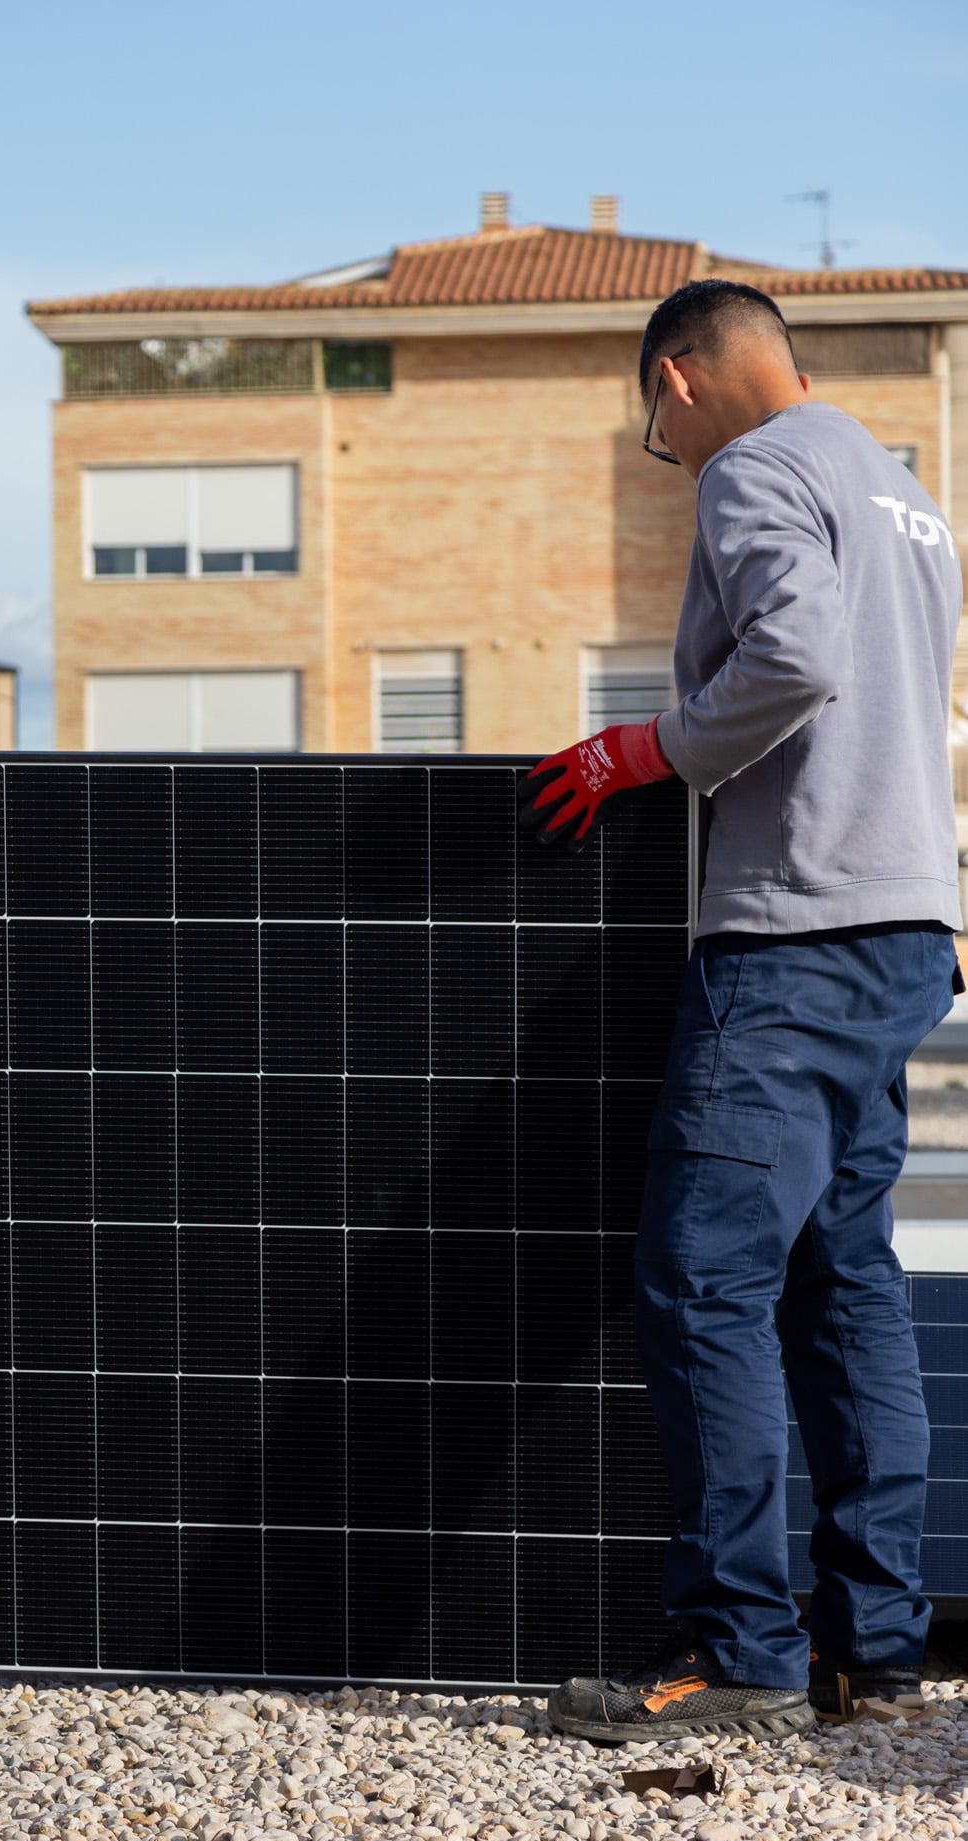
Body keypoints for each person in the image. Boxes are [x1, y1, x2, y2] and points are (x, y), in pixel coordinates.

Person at [525, 280, 963, 1743]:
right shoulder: (903, 489)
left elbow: (797, 658)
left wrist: (646, 749)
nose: (670, 449)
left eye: (657, 424)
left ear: (679, 380)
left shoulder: (754, 468)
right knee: (845, 1286)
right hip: (904, 929)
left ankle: (742, 1650)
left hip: (794, 940)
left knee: (705, 1273)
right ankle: (875, 1654)